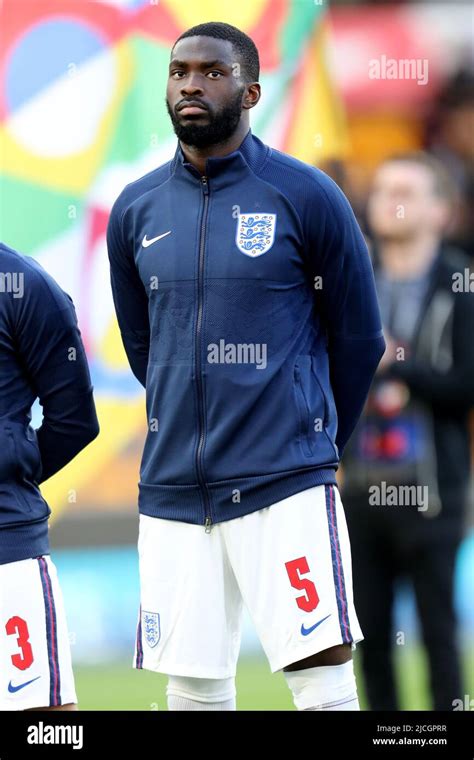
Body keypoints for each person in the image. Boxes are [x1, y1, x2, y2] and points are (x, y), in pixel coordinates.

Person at [107, 21, 385, 712]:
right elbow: (148, 348)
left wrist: (313, 442)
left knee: (319, 674)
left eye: (211, 72)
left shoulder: (307, 194)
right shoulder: (134, 209)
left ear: (252, 90)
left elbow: (360, 338)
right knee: (195, 686)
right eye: (179, 72)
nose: (191, 85)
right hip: (174, 487)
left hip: (283, 480)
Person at [341, 152, 474, 710]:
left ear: (441, 211)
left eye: (408, 190)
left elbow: (466, 384)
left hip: (432, 491)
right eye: (383, 188)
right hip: (358, 489)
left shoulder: (461, 282)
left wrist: (400, 365)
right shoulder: (351, 277)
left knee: (439, 636)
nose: (391, 200)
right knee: (367, 640)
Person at [0, 242, 99, 710]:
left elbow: (74, 419)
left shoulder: (24, 286)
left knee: (44, 724)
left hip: (8, 556)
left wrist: (11, 466)